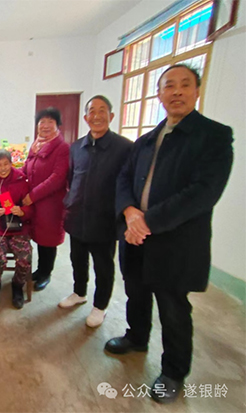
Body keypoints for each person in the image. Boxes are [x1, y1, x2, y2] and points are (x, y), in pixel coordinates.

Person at [105, 64, 233, 403]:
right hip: (135, 236)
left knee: (173, 307)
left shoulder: (214, 136)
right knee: (135, 292)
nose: (177, 91)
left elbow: (203, 192)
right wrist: (129, 212)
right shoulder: (147, 140)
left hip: (176, 241)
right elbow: (123, 179)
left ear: (197, 91)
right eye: (169, 86)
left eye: (185, 84)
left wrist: (146, 222)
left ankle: (174, 371)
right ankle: (136, 337)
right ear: (159, 94)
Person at [59, 96, 132, 327]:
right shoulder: (76, 147)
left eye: (102, 111)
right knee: (77, 259)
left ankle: (100, 306)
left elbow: (128, 184)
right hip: (77, 216)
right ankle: (79, 293)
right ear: (85, 117)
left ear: (111, 116)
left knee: (103, 266)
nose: (97, 115)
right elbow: (72, 178)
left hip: (105, 220)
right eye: (92, 111)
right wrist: (70, 202)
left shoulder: (125, 147)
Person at [22, 107, 70, 291]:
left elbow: (58, 178)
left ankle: (46, 273)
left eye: (51, 121)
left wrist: (32, 196)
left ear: (58, 125)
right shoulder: (36, 145)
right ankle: (40, 270)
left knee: (48, 239)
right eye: (42, 122)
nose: (45, 125)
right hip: (36, 202)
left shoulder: (62, 148)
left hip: (51, 203)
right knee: (39, 237)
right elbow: (26, 168)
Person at [0, 149, 33, 309]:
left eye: (6, 164)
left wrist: (22, 211)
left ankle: (17, 286)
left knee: (25, 258)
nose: (3, 168)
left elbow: (31, 207)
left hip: (18, 228)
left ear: (11, 163)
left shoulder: (21, 180)